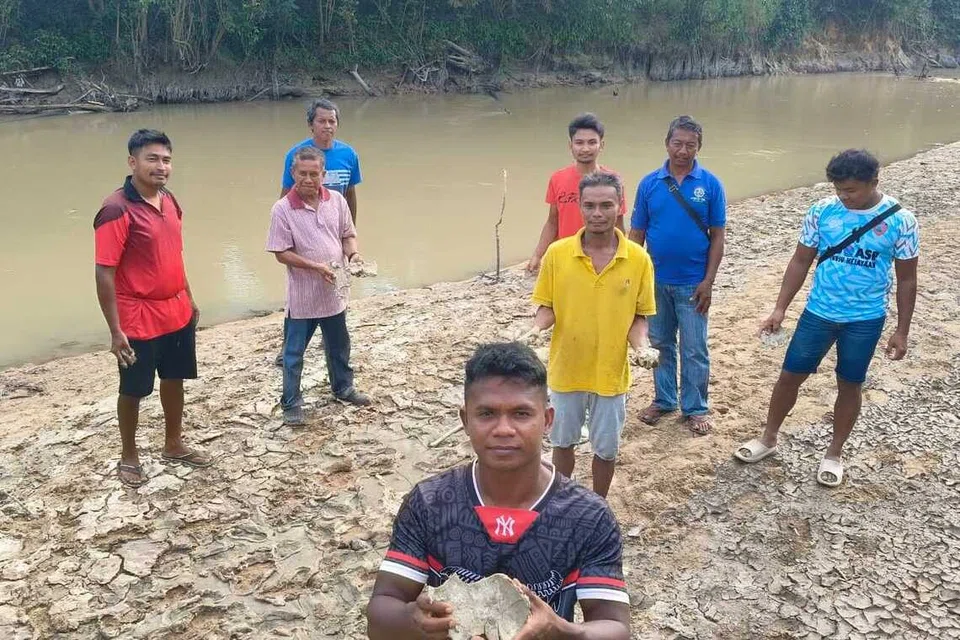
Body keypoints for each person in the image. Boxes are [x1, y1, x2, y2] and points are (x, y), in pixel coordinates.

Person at [366, 342, 630, 640]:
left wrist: (560, 631)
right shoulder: (430, 502)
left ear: (547, 420)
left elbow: (616, 627)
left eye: (521, 413)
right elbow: (380, 614)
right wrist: (413, 621)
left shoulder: (588, 515)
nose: (504, 429)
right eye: (487, 413)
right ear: (466, 420)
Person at [735, 149, 919, 487]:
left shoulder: (900, 220)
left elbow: (907, 279)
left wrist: (902, 330)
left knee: (850, 383)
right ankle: (768, 437)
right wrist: (780, 308)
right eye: (838, 189)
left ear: (874, 182)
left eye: (851, 190)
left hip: (865, 319)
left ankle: (834, 453)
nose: (843, 197)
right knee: (789, 376)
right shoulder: (822, 211)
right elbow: (800, 261)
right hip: (818, 313)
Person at [526, 171, 656, 498]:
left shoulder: (638, 259)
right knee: (562, 442)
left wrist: (642, 347)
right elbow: (548, 308)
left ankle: (598, 504)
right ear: (580, 208)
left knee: (606, 449)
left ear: (620, 207)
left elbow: (639, 318)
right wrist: (534, 329)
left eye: (606, 205)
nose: (598, 213)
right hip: (566, 368)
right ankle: (562, 501)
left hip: (611, 373)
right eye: (590, 206)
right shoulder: (557, 254)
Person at [94, 129, 211, 488]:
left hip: (176, 311)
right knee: (133, 389)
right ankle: (129, 455)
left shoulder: (169, 199)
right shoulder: (116, 209)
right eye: (152, 159)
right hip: (137, 318)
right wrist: (116, 331)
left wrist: (189, 298)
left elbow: (174, 253)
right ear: (133, 162)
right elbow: (104, 271)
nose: (161, 166)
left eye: (166, 160)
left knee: (174, 379)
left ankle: (173, 443)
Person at [628, 115, 726, 436]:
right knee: (660, 344)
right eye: (677, 143)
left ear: (699, 147)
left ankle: (696, 408)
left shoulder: (710, 185)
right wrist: (631, 279)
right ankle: (665, 399)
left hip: (694, 283)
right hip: (654, 281)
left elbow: (717, 237)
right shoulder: (649, 184)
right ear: (667, 143)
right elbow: (637, 234)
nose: (683, 150)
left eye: (690, 145)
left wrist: (708, 281)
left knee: (695, 347)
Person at [266, 146, 371, 425]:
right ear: (293, 173)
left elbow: (348, 235)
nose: (309, 179)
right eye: (303, 173)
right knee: (293, 353)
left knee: (339, 345)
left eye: (314, 174)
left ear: (323, 174)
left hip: (334, 291)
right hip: (302, 297)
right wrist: (315, 267)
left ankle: (343, 388)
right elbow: (280, 252)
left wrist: (354, 255)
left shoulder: (337, 200)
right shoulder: (282, 209)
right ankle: (291, 403)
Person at [275, 98, 362, 367]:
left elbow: (350, 195)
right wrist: (285, 234)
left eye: (332, 121)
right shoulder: (297, 155)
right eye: (321, 121)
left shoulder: (348, 154)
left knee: (338, 286)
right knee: (300, 297)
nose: (327, 126)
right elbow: (285, 197)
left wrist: (350, 235)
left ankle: (331, 340)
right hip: (303, 232)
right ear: (310, 125)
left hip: (335, 231)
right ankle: (288, 348)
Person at [526, 113, 625, 273]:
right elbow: (552, 222)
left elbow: (618, 225)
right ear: (570, 145)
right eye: (579, 142)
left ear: (602, 145)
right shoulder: (557, 179)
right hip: (566, 257)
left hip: (601, 260)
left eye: (592, 142)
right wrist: (538, 255)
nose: (585, 148)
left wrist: (621, 258)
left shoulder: (613, 181)